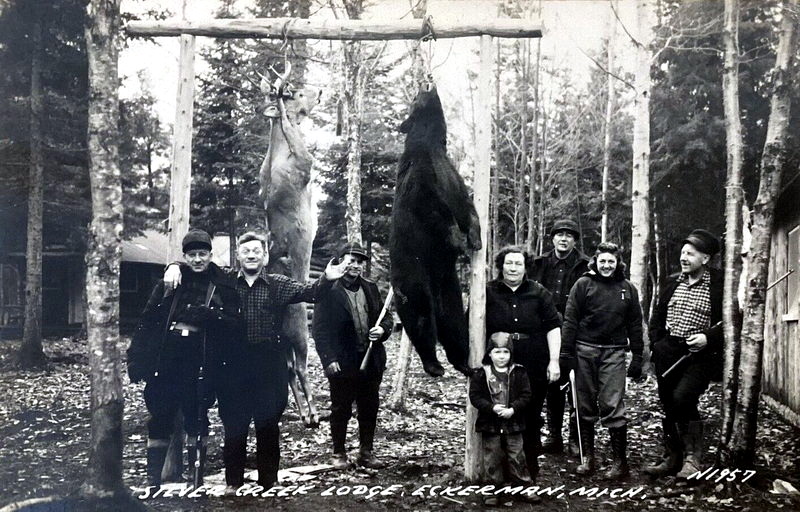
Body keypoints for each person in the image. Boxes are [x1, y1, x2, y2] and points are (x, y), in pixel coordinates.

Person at [163, 231, 347, 490]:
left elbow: (311, 292)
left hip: (269, 365)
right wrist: (173, 265)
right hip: (232, 366)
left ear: (265, 256)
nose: (251, 255)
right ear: (238, 255)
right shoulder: (224, 279)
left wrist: (328, 278)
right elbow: (198, 263)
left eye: (256, 251)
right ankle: (232, 485)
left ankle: (269, 483)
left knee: (268, 424)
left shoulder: (278, 284)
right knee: (235, 426)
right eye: (246, 251)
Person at [127, 228, 242, 487]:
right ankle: (153, 480)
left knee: (197, 418)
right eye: (192, 255)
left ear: (211, 255)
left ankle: (196, 480)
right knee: (160, 417)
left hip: (202, 360)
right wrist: (136, 359)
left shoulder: (223, 284)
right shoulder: (170, 282)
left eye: (203, 254)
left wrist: (213, 316)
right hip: (167, 359)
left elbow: (236, 322)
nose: (198, 260)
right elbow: (147, 320)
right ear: (185, 256)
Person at [561, 242, 644, 479]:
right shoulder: (583, 284)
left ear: (618, 263)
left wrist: (637, 356)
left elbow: (635, 324)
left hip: (614, 352)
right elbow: (570, 320)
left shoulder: (627, 288)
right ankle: (588, 459)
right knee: (584, 404)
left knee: (612, 404)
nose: (607, 266)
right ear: (595, 262)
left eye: (611, 261)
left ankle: (620, 463)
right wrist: (566, 354)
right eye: (602, 261)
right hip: (584, 351)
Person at [645, 229, 722, 479]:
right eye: (682, 253)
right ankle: (673, 457)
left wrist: (707, 338)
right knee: (668, 403)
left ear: (706, 259)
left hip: (699, 356)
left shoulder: (719, 284)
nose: (684, 258)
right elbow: (657, 316)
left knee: (683, 398)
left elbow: (731, 322)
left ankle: (693, 459)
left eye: (690, 254)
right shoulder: (672, 282)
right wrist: (657, 344)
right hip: (668, 351)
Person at [312, 242, 393, 470]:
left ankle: (366, 452)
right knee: (341, 408)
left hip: (370, 359)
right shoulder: (328, 291)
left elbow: (386, 317)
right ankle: (338, 452)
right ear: (341, 262)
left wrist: (383, 330)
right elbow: (319, 330)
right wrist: (329, 359)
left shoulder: (370, 287)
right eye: (351, 260)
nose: (355, 265)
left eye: (359, 262)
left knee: (369, 407)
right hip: (342, 362)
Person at [485, 245, 562, 481]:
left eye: (519, 263)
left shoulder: (539, 293)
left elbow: (553, 328)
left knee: (529, 417)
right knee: (496, 418)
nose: (514, 268)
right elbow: (474, 326)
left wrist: (554, 361)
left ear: (526, 267)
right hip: (497, 363)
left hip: (533, 364)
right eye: (509, 263)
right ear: (501, 265)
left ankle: (529, 473)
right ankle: (498, 477)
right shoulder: (487, 292)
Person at [531, 219, 590, 455]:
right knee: (552, 384)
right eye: (559, 234)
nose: (563, 239)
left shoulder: (585, 265)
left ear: (575, 240)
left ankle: (576, 438)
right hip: (546, 333)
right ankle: (554, 436)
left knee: (576, 385)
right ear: (552, 238)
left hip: (577, 333)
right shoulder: (539, 263)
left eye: (569, 235)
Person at [469, 336, 532, 506]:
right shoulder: (481, 373)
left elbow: (526, 395)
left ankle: (523, 487)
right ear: (490, 353)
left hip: (514, 422)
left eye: (506, 352)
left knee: (517, 455)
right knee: (492, 457)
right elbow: (475, 397)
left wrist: (513, 409)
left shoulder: (519, 372)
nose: (502, 356)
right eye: (497, 352)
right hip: (491, 423)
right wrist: (491, 408)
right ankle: (492, 490)